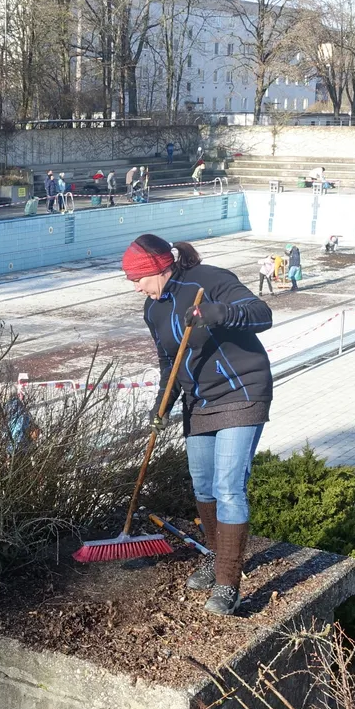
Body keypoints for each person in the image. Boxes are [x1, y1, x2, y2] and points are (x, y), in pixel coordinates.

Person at [123, 234, 273, 616]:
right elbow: (167, 365)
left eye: (138, 277)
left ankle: (228, 583)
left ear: (158, 268)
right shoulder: (152, 309)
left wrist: (216, 312)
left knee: (228, 486)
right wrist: (162, 408)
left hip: (242, 392)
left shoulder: (209, 280)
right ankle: (215, 554)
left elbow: (261, 314)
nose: (135, 285)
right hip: (198, 403)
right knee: (203, 484)